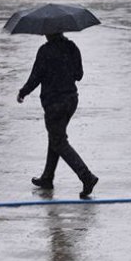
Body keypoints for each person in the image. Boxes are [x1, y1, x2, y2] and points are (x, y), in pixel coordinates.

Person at [18, 32, 98, 199]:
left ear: (47, 34)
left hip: (54, 103)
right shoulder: (72, 47)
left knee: (59, 141)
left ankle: (86, 176)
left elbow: (35, 77)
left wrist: (23, 92)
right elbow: (79, 75)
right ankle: (47, 177)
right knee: (55, 136)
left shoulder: (45, 51)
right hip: (70, 100)